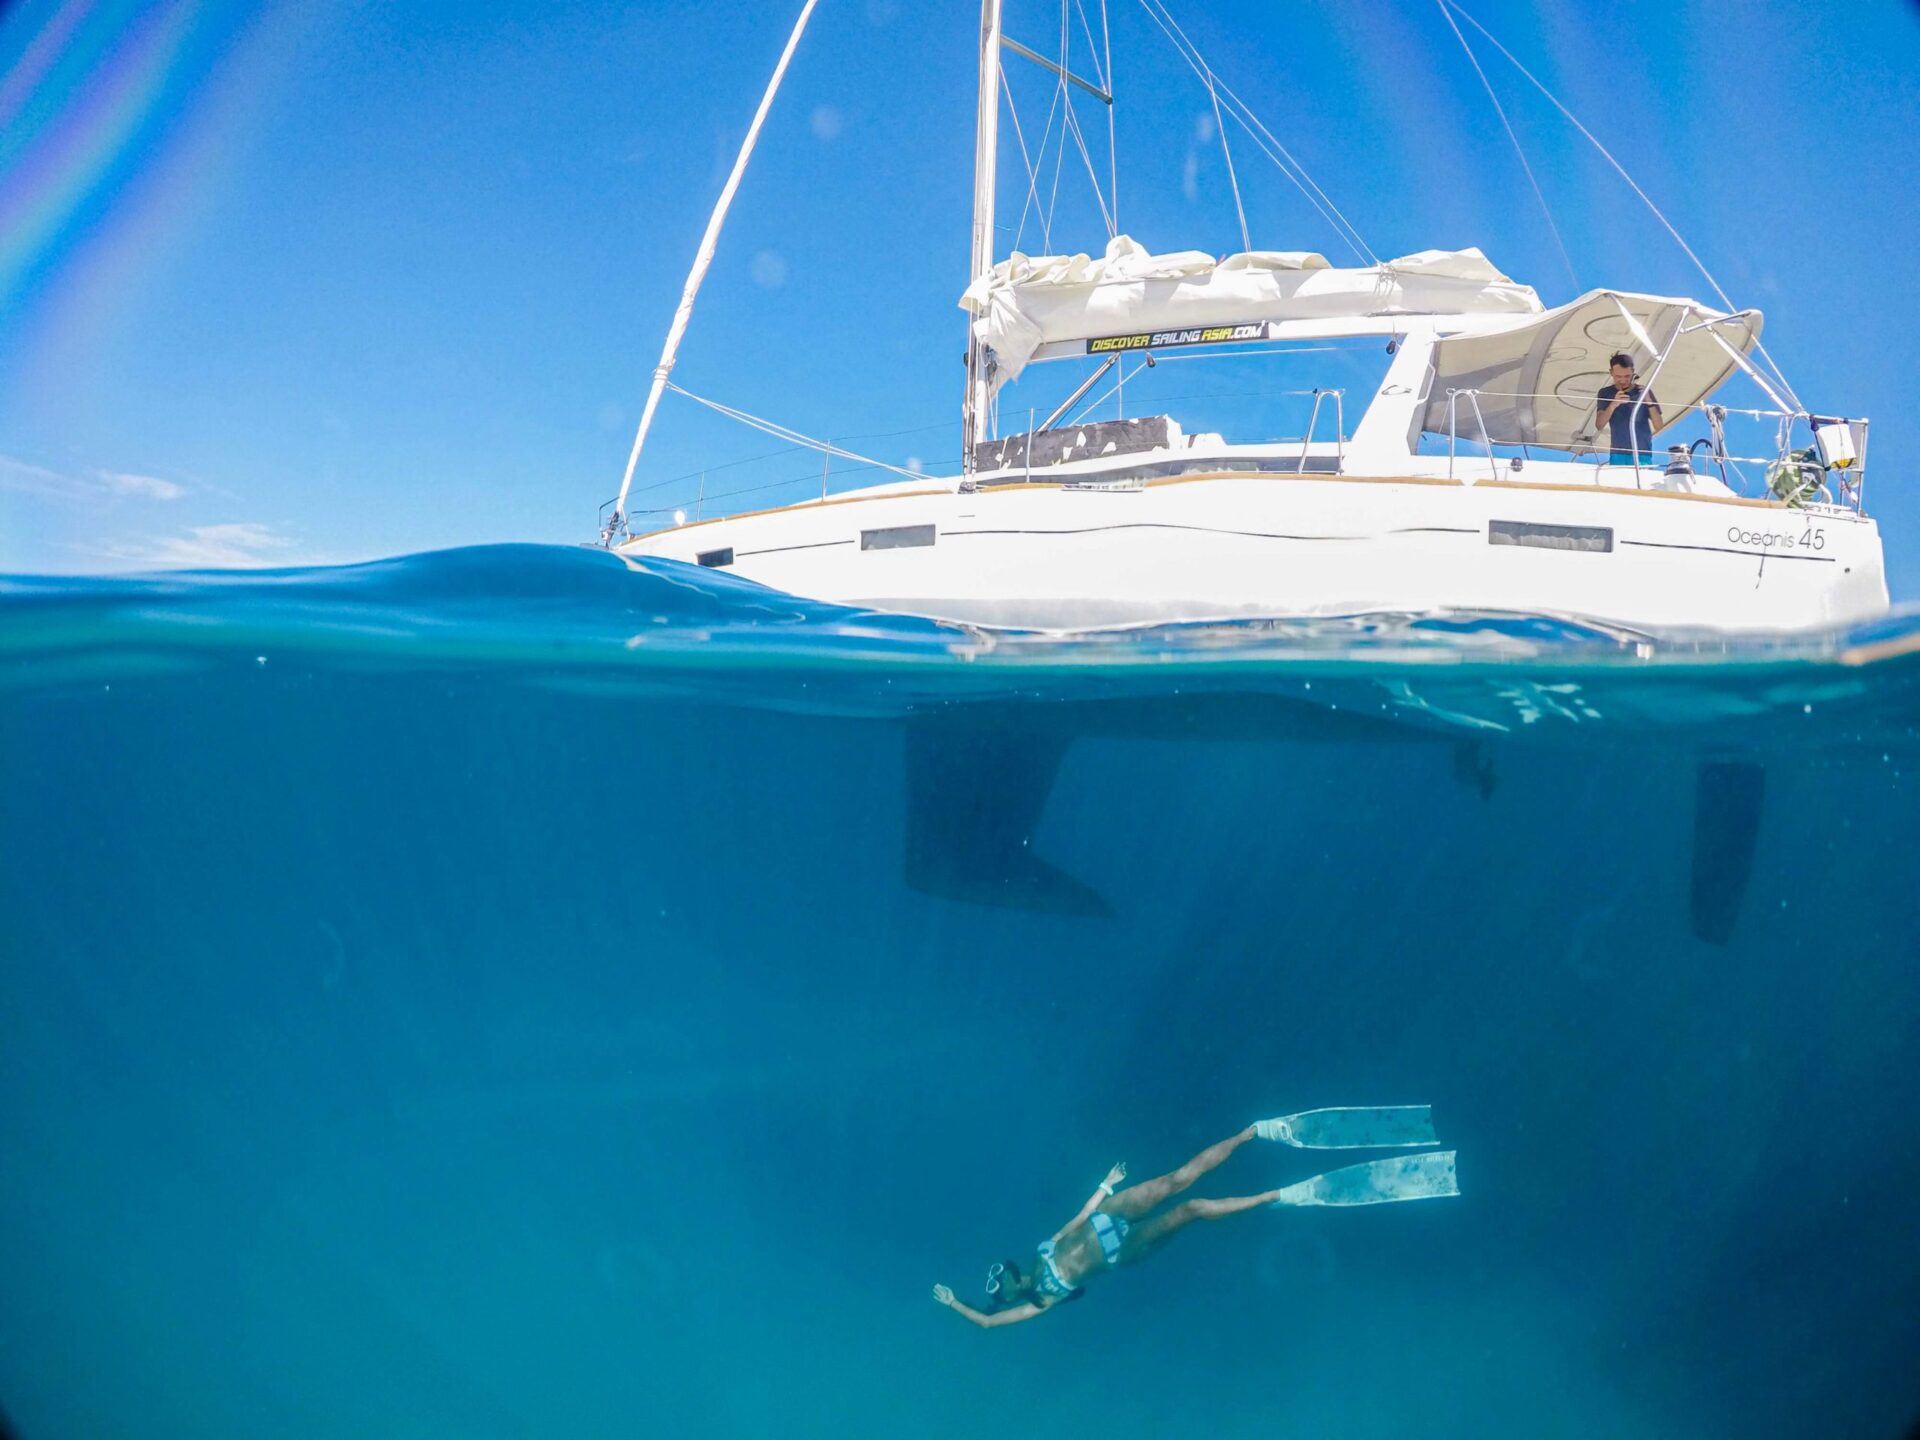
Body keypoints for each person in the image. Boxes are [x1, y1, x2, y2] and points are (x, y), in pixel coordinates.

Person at [931, 1107, 1458, 1329]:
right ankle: (1278, 1194)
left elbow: (1076, 1219)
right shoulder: (1043, 1300)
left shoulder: (1043, 1250)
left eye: (998, 1276)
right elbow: (986, 1323)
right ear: (1010, 1292)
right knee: (1195, 1209)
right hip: (1120, 1253)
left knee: (1179, 1179)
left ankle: (1253, 1132)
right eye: (998, 1286)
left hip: (1105, 1219)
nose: (1001, 1283)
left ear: (1009, 1269)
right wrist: (957, 1303)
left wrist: (1104, 1188)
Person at [1595, 352, 1663, 467]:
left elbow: (1659, 426)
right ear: (1611, 373)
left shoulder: (1644, 392)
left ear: (1633, 372)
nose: (1623, 380)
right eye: (1618, 377)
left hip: (1642, 453)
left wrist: (1649, 401)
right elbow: (1599, 425)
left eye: (1627, 376)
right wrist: (1613, 405)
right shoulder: (1605, 393)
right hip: (1618, 453)